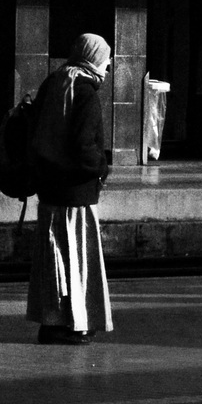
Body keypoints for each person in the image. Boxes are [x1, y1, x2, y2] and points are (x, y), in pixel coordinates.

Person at [27, 32, 115, 345]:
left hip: (49, 191)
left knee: (54, 261)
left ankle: (51, 322)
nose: (108, 66)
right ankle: (73, 324)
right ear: (94, 58)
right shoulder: (86, 91)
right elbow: (84, 146)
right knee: (77, 261)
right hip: (76, 195)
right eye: (106, 59)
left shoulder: (53, 83)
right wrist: (102, 169)